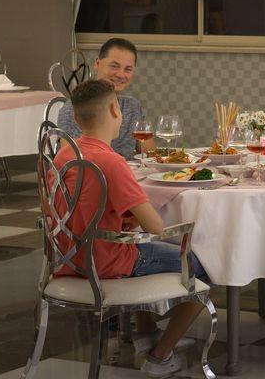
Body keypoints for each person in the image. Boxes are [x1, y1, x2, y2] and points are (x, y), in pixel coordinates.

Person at [52, 80, 205, 378]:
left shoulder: (64, 155)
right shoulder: (112, 161)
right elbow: (155, 226)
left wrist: (123, 219)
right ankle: (161, 355)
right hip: (107, 261)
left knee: (138, 242)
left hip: (68, 258)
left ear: (77, 118)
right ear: (115, 110)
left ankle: (146, 334)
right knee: (205, 265)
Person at [57, 37, 155, 158]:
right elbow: (72, 160)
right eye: (114, 66)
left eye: (128, 69)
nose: (120, 74)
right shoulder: (77, 107)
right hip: (95, 170)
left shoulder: (132, 106)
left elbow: (150, 156)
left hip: (127, 170)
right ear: (97, 63)